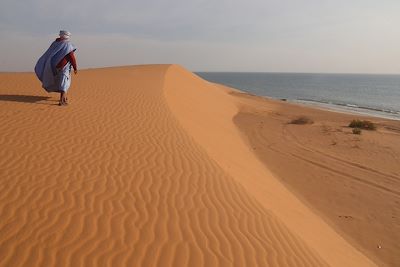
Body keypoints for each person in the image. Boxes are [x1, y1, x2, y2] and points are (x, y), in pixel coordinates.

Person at [35, 30, 78, 106]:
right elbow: (72, 57)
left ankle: (64, 98)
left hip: (54, 67)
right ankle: (62, 101)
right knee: (64, 83)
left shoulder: (55, 43)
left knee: (60, 82)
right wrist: (75, 68)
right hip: (63, 67)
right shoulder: (67, 45)